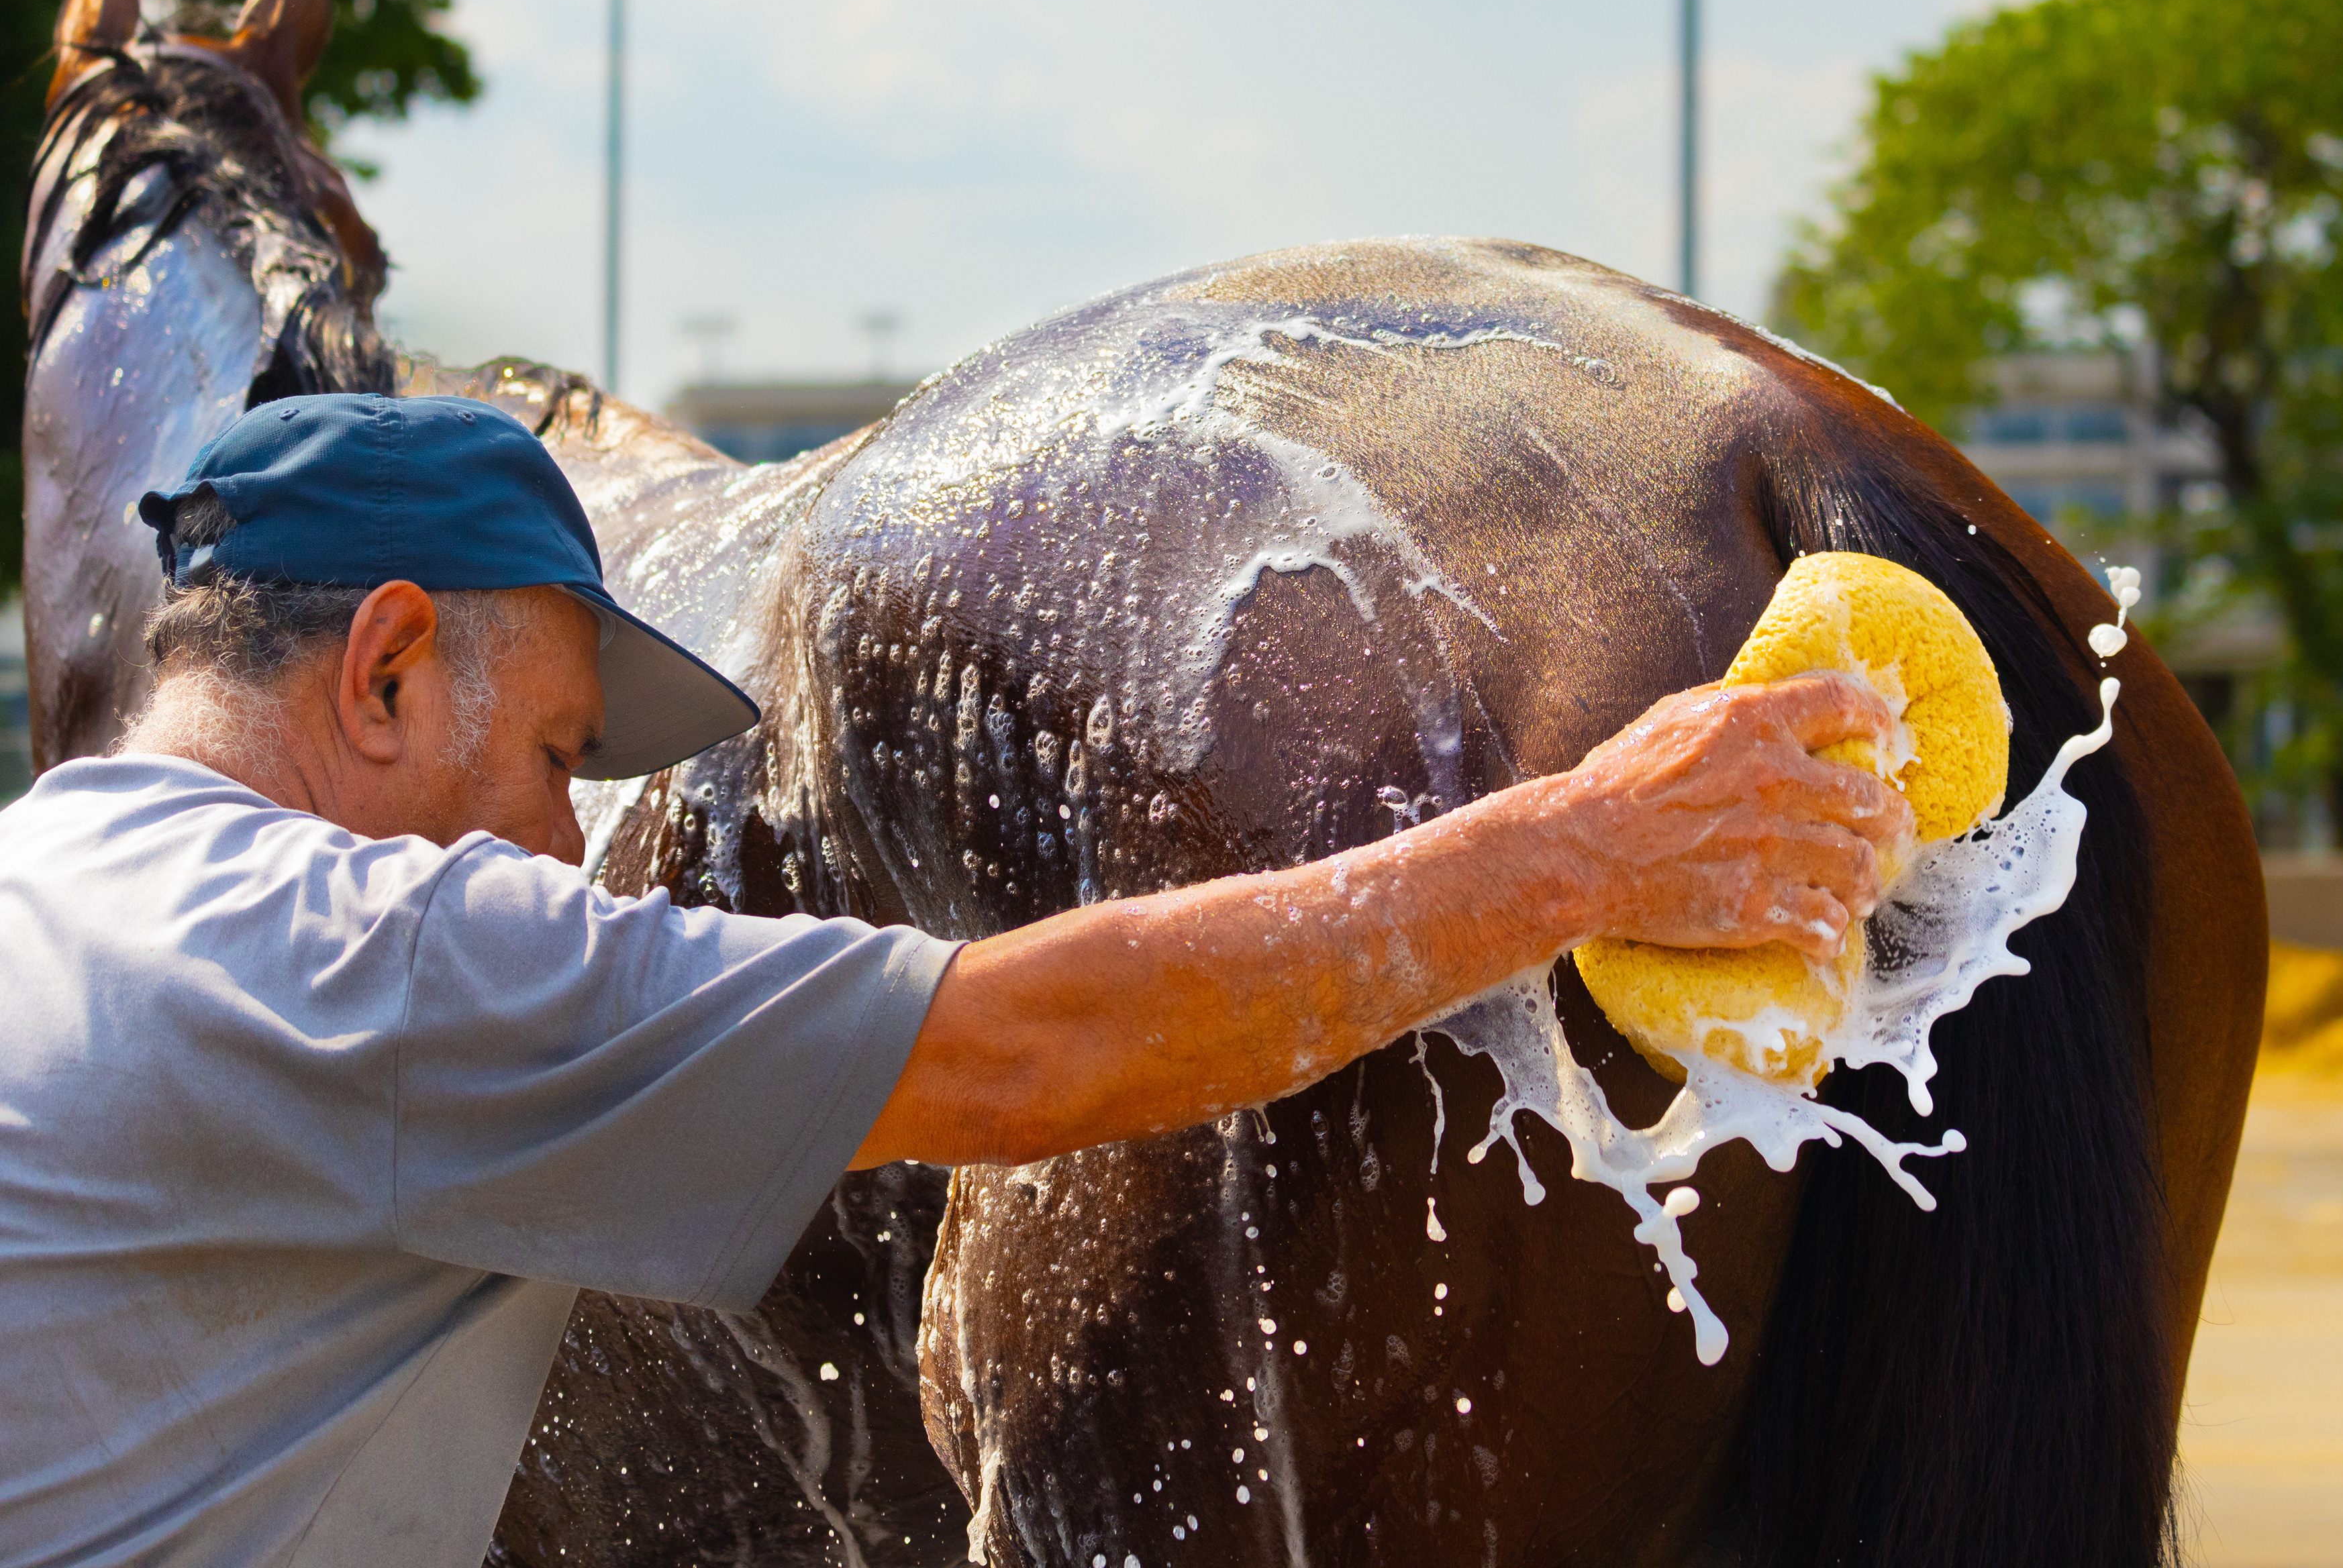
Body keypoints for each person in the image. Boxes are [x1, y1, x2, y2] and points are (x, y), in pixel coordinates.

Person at [0, 394, 1909, 1565]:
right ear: (391, 668)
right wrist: (1593, 840)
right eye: (561, 756)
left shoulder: (46, 881)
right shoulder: (363, 962)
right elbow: (1024, 1049)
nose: (566, 842)